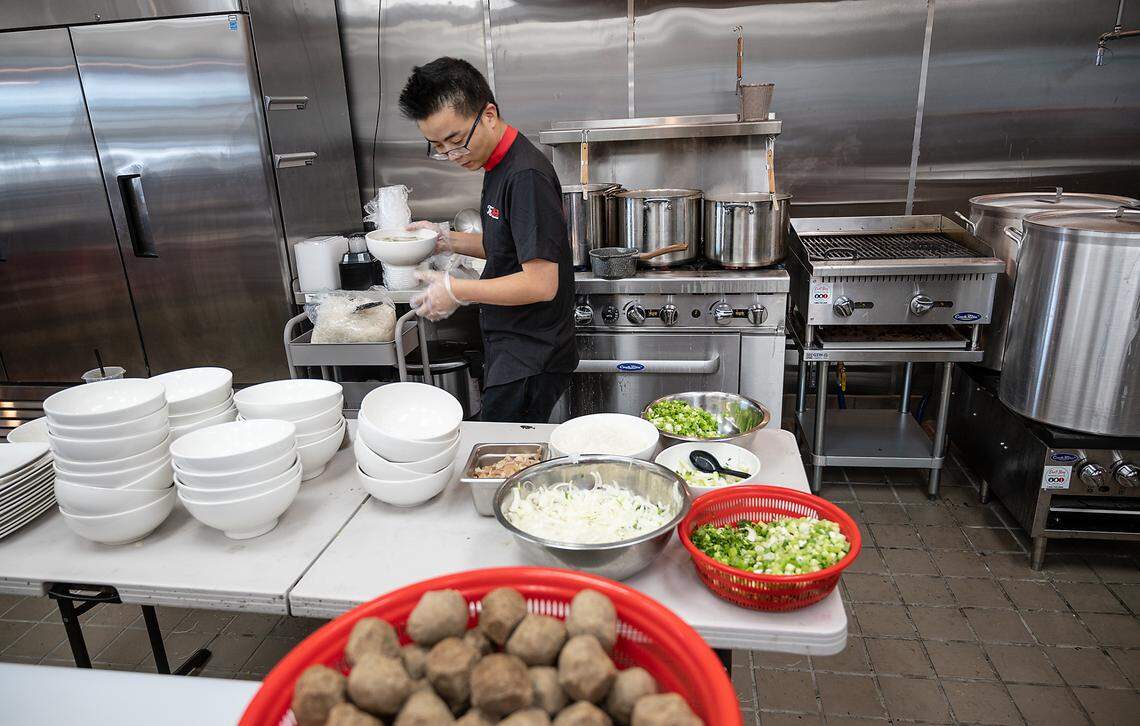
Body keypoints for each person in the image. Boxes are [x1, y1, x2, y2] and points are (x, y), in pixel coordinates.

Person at [398, 57, 577, 424]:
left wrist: (457, 290)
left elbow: (540, 283)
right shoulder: (496, 164)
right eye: (437, 146)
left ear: (489, 115)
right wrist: (442, 240)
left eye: (455, 140)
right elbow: (505, 244)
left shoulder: (524, 174)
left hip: (531, 355)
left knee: (505, 456)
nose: (450, 155)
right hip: (515, 347)